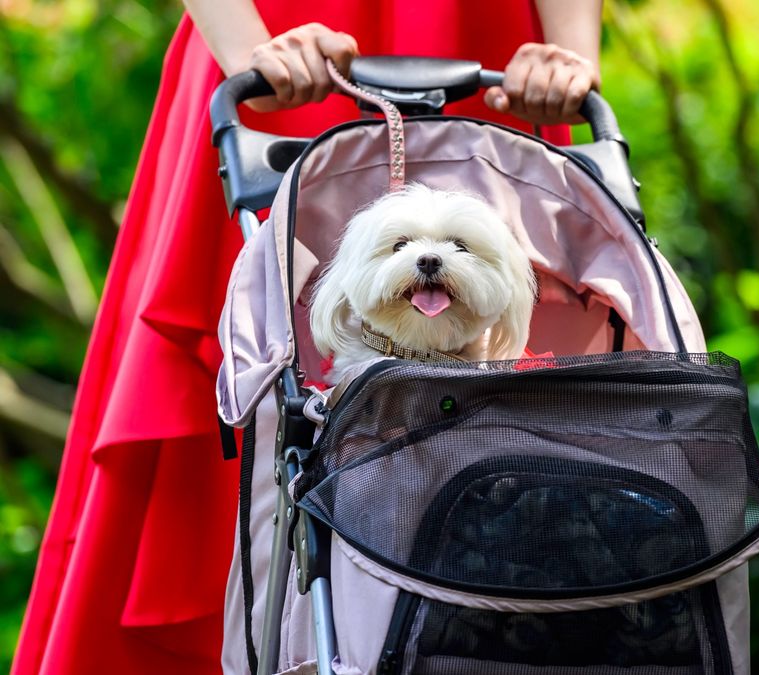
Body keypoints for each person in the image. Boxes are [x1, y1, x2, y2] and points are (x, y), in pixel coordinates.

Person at [12, 2, 601, 673]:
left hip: (488, 43)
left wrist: (573, 54)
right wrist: (248, 52)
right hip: (276, 51)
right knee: (253, 392)